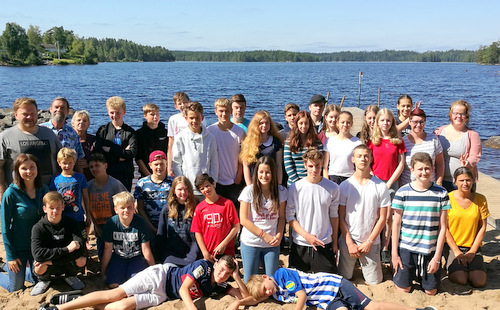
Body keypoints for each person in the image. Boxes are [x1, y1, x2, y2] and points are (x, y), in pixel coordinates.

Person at [39, 255, 248, 310]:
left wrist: (237, 276)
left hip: (163, 295)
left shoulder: (221, 283)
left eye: (226, 273)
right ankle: (59, 308)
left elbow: (245, 297)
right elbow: (185, 290)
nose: (221, 274)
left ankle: (82, 299)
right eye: (221, 269)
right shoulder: (205, 266)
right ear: (217, 263)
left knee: (118, 308)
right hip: (161, 276)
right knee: (115, 295)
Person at [236, 268, 438, 310]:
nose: (268, 293)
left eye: (265, 288)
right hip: (327, 301)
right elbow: (256, 299)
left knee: (371, 307)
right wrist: (238, 302)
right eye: (265, 294)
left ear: (265, 277)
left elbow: (301, 295)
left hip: (335, 285)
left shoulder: (281, 275)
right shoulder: (275, 292)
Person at [391, 152, 450, 296]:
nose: (424, 172)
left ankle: (423, 275)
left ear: (432, 169)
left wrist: (437, 257)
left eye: (427, 168)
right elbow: (396, 224)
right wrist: (394, 254)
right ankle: (405, 273)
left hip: (429, 248)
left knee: (431, 291)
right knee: (404, 289)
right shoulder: (402, 192)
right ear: (412, 170)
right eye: (420, 169)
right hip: (407, 247)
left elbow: (443, 228)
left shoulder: (441, 193)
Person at [338, 145, 390, 285]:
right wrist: (349, 243)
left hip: (370, 242)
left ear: (371, 158)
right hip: (349, 240)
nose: (363, 159)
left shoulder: (380, 186)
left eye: (366, 156)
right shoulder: (345, 186)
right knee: (345, 277)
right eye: (359, 156)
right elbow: (341, 218)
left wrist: (369, 242)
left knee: (375, 282)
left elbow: (382, 218)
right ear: (353, 159)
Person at [0, 154, 49, 292]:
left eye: (32, 167)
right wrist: (10, 256)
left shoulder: (43, 189)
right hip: (19, 246)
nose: (29, 171)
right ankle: (4, 269)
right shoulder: (10, 193)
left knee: (37, 279)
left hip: (37, 247)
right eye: (24, 168)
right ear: (17, 171)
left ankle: (4, 267)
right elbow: (5, 228)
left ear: (37, 168)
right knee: (15, 287)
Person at [286, 148, 339, 273]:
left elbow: (334, 216)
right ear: (305, 165)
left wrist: (335, 242)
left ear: (321, 164)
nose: (314, 170)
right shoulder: (295, 188)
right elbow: (290, 216)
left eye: (317, 166)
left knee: (328, 285)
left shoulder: (333, 188)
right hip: (300, 244)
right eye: (310, 166)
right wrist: (306, 236)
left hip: (324, 243)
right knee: (296, 285)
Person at [0, 97, 61, 198]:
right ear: (16, 115)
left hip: (49, 195)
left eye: (32, 114)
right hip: (19, 197)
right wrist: (2, 193)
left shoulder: (49, 134)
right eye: (25, 114)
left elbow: (61, 160)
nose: (29, 117)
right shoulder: (5, 137)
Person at [239, 156, 287, 283]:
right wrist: (264, 235)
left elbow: (282, 217)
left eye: (268, 172)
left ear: (273, 173)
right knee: (250, 283)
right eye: (261, 172)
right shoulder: (249, 191)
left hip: (272, 243)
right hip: (251, 242)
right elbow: (243, 220)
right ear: (256, 173)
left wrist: (279, 234)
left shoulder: (281, 191)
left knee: (271, 282)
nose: (264, 175)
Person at [367, 108, 406, 263]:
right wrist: (374, 178)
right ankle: (374, 243)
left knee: (389, 216)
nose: (385, 123)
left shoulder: (397, 141)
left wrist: (390, 182)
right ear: (377, 122)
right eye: (382, 120)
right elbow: (368, 162)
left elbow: (401, 163)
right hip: (375, 181)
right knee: (375, 215)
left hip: (391, 183)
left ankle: (385, 247)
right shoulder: (372, 140)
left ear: (392, 122)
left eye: (388, 120)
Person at [30, 191, 86, 296]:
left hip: (62, 263)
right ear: (44, 209)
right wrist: (67, 249)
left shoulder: (72, 223)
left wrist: (50, 261)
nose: (55, 211)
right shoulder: (38, 228)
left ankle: (70, 276)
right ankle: (44, 280)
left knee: (82, 260)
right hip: (52, 265)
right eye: (51, 208)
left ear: (63, 207)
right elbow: (38, 254)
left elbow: (81, 249)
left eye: (58, 207)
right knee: (39, 265)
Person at [445, 166, 489, 288]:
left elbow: (482, 227)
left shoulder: (481, 199)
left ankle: (473, 265)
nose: (465, 183)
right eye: (461, 180)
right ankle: (451, 265)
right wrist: (456, 251)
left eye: (468, 180)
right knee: (461, 279)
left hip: (472, 246)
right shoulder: (447, 198)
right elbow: (444, 228)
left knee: (479, 282)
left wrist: (473, 251)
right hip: (453, 246)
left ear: (473, 180)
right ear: (455, 182)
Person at [101, 191, 155, 288]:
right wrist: (103, 272)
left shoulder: (140, 222)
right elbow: (108, 249)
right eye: (122, 208)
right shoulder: (111, 223)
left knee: (136, 284)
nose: (126, 210)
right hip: (119, 257)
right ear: (116, 210)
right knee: (113, 284)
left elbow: (146, 249)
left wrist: (154, 270)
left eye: (129, 207)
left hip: (137, 257)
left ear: (134, 208)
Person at [171, 101, 219, 199]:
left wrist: (212, 182)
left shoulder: (210, 138)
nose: (194, 121)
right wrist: (182, 183)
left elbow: (214, 162)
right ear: (186, 118)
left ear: (202, 118)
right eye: (191, 118)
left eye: (197, 118)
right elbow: (176, 162)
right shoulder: (180, 137)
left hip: (205, 188)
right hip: (187, 188)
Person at [434, 100, 482, 192]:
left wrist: (468, 163)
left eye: (462, 114)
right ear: (450, 114)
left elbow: (475, 156)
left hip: (464, 182)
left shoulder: (472, 135)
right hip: (441, 181)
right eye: (456, 113)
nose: (459, 116)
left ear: (467, 116)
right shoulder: (438, 132)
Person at [86, 152, 127, 260]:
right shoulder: (89, 186)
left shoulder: (115, 184)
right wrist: (95, 226)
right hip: (99, 229)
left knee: (118, 256)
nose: (94, 169)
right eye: (91, 167)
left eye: (97, 165)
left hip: (116, 227)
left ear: (105, 166)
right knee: (102, 257)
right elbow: (89, 209)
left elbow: (126, 204)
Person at [191, 174, 240, 261]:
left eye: (207, 186)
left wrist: (223, 244)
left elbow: (236, 226)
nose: (206, 190)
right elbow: (197, 232)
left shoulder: (227, 204)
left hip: (226, 252)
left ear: (213, 184)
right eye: (202, 188)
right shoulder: (199, 208)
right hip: (209, 253)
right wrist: (205, 253)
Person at [207, 98, 245, 208]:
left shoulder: (239, 132)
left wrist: (238, 176)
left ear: (231, 111)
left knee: (235, 211)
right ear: (216, 112)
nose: (224, 114)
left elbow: (242, 156)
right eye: (221, 111)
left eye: (227, 111)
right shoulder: (210, 130)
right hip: (216, 180)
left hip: (234, 180)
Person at [49, 148, 90, 247]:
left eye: (70, 163)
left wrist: (88, 214)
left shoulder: (80, 177)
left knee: (81, 240)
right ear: (59, 163)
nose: (67, 166)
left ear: (74, 162)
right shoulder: (56, 179)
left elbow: (85, 197)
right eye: (64, 163)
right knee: (65, 242)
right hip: (62, 217)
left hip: (78, 216)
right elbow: (52, 198)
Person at [95, 96, 137, 191]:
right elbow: (99, 152)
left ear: (124, 112)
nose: (114, 115)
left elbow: (131, 153)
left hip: (125, 174)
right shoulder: (102, 131)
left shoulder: (130, 132)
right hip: (107, 172)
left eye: (118, 113)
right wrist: (119, 156)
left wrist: (108, 149)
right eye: (112, 112)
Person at [157, 176, 200, 267]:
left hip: (193, 255)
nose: (183, 192)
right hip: (171, 255)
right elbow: (161, 235)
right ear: (173, 191)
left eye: (186, 189)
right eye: (180, 189)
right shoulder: (166, 210)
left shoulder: (196, 207)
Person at [401, 107, 444, 186]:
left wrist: (439, 182)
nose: (418, 125)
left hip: (430, 186)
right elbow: (400, 167)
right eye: (415, 122)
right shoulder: (403, 142)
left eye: (421, 122)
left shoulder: (433, 139)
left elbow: (440, 163)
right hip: (408, 186)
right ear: (409, 122)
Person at [41, 97, 86, 172]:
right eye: (56, 107)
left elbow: (78, 160)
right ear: (50, 109)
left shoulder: (72, 133)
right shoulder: (41, 130)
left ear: (67, 111)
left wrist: (81, 179)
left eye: (62, 108)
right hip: (45, 175)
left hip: (66, 178)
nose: (59, 110)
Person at [240, 110, 283, 185]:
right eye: (261, 123)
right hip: (254, 183)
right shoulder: (249, 142)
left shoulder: (276, 142)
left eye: (267, 123)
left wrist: (279, 184)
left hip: (271, 183)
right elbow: (246, 166)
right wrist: (249, 186)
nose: (264, 125)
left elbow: (278, 164)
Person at [134, 150, 172, 233]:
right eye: (156, 164)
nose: (159, 167)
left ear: (166, 164)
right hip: (149, 227)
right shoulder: (142, 184)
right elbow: (140, 209)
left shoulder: (173, 183)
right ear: (150, 165)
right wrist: (152, 229)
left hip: (170, 228)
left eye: (162, 164)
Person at [284, 110, 322, 186]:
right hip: (294, 183)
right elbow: (288, 165)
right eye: (301, 123)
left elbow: (320, 162)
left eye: (306, 123)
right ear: (297, 124)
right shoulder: (289, 142)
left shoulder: (316, 142)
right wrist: (298, 183)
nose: (304, 126)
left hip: (313, 182)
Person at [323, 111, 362, 185]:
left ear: (351, 124)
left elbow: (358, 166)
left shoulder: (357, 142)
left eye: (348, 122)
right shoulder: (330, 141)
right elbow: (325, 167)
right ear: (337, 123)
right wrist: (327, 182)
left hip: (349, 178)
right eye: (342, 122)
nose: (345, 125)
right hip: (333, 178)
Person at [135, 103, 168, 177]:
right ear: (145, 116)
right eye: (152, 115)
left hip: (164, 172)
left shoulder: (165, 132)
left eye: (157, 114)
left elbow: (169, 153)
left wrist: (166, 170)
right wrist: (149, 175)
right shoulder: (139, 133)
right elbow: (138, 158)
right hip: (146, 173)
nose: (155, 117)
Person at [167, 91, 190, 176]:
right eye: (180, 103)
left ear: (189, 102)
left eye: (184, 102)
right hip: (177, 157)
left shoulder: (195, 118)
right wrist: (169, 167)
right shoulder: (173, 119)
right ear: (176, 106)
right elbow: (170, 143)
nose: (183, 105)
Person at [71, 110, 95, 180]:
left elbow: (99, 157)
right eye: (78, 120)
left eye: (84, 121)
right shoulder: (68, 139)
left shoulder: (94, 140)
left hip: (90, 176)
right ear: (73, 123)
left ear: (88, 124)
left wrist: (88, 163)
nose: (81, 122)